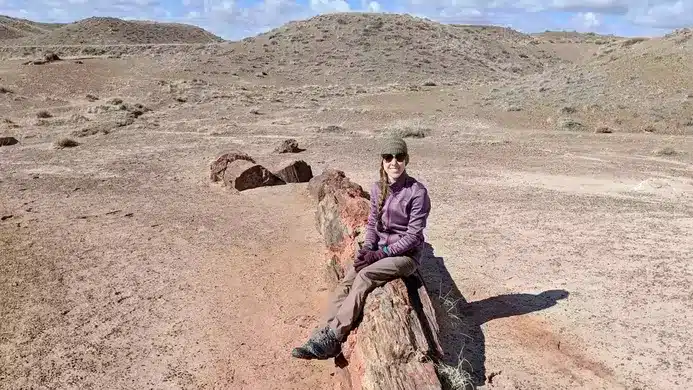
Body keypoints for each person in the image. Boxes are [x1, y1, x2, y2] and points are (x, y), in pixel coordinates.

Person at [291, 136, 432, 360]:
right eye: (388, 157)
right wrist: (367, 250)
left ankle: (335, 335)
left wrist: (380, 254)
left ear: (407, 160)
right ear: (382, 161)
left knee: (366, 275)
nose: (393, 162)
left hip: (406, 256)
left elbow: (413, 237)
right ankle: (322, 333)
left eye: (399, 157)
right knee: (349, 278)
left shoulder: (417, 192)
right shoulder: (378, 188)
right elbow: (373, 223)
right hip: (380, 250)